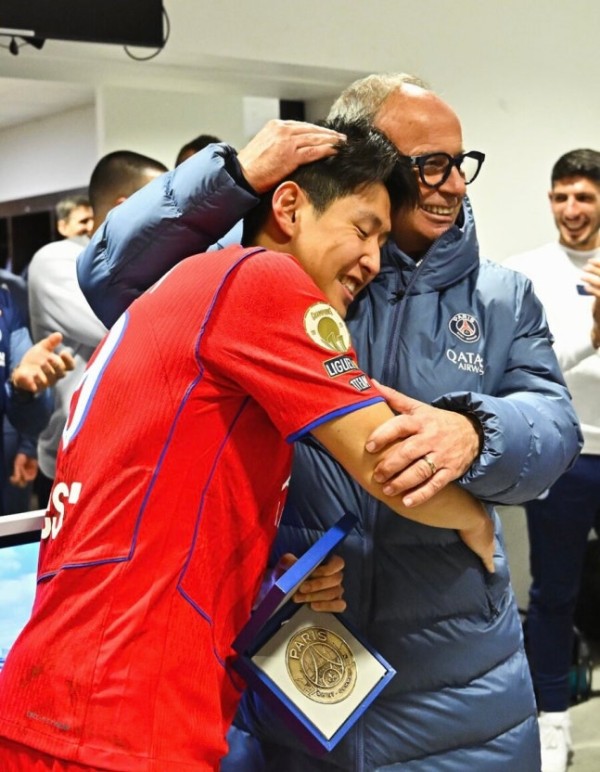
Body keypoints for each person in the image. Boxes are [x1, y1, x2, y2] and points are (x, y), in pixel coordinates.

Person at [75, 75, 582, 770]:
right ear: (364, 156)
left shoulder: (501, 296)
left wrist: (474, 433)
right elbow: (113, 280)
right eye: (430, 165)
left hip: (462, 692)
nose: (455, 185)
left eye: (462, 164)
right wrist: (230, 175)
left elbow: (555, 427)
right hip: (296, 680)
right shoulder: (280, 269)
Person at [0, 122, 496, 771]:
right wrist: (476, 520)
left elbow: (152, 504)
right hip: (126, 712)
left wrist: (267, 580)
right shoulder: (263, 281)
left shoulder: (190, 290)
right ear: (289, 207)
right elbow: (387, 461)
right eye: (363, 229)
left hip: (67, 692)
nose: (374, 260)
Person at [505, 148, 600, 772]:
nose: (571, 210)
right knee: (554, 593)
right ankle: (551, 721)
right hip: (569, 453)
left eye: (584, 197)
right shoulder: (526, 273)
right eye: (561, 196)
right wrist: (594, 335)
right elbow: (526, 375)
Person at [28, 151, 168, 506]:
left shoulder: (155, 264)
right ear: (125, 207)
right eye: (166, 199)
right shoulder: (56, 261)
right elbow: (138, 325)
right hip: (69, 471)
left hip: (135, 466)